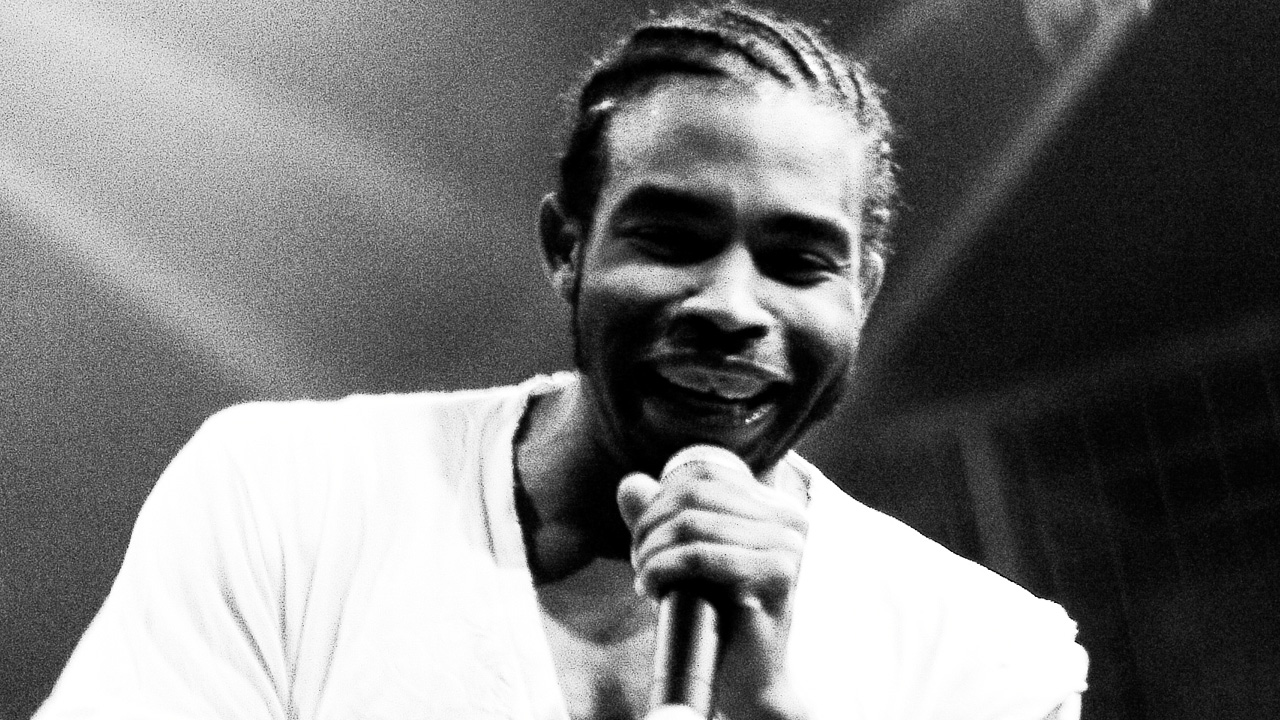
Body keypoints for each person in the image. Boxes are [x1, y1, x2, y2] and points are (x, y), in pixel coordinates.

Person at [34, 4, 1088, 720]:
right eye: (670, 238)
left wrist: (775, 707)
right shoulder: (289, 497)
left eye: (796, 260)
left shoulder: (986, 655)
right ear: (565, 248)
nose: (731, 306)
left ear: (861, 290)